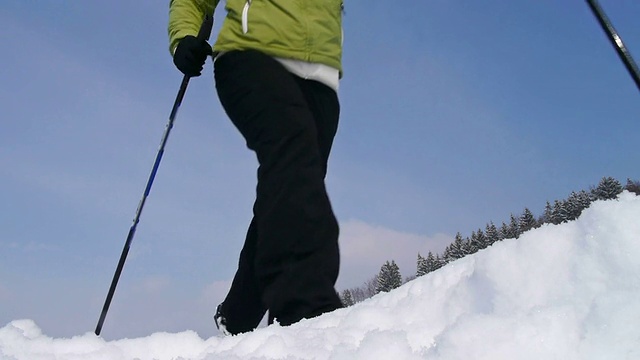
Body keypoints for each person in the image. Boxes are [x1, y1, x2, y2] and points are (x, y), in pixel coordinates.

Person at [168, 0, 345, 335]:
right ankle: (303, 306)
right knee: (292, 157)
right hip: (251, 54)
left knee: (296, 182)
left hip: (320, 76)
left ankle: (237, 316)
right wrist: (184, 37)